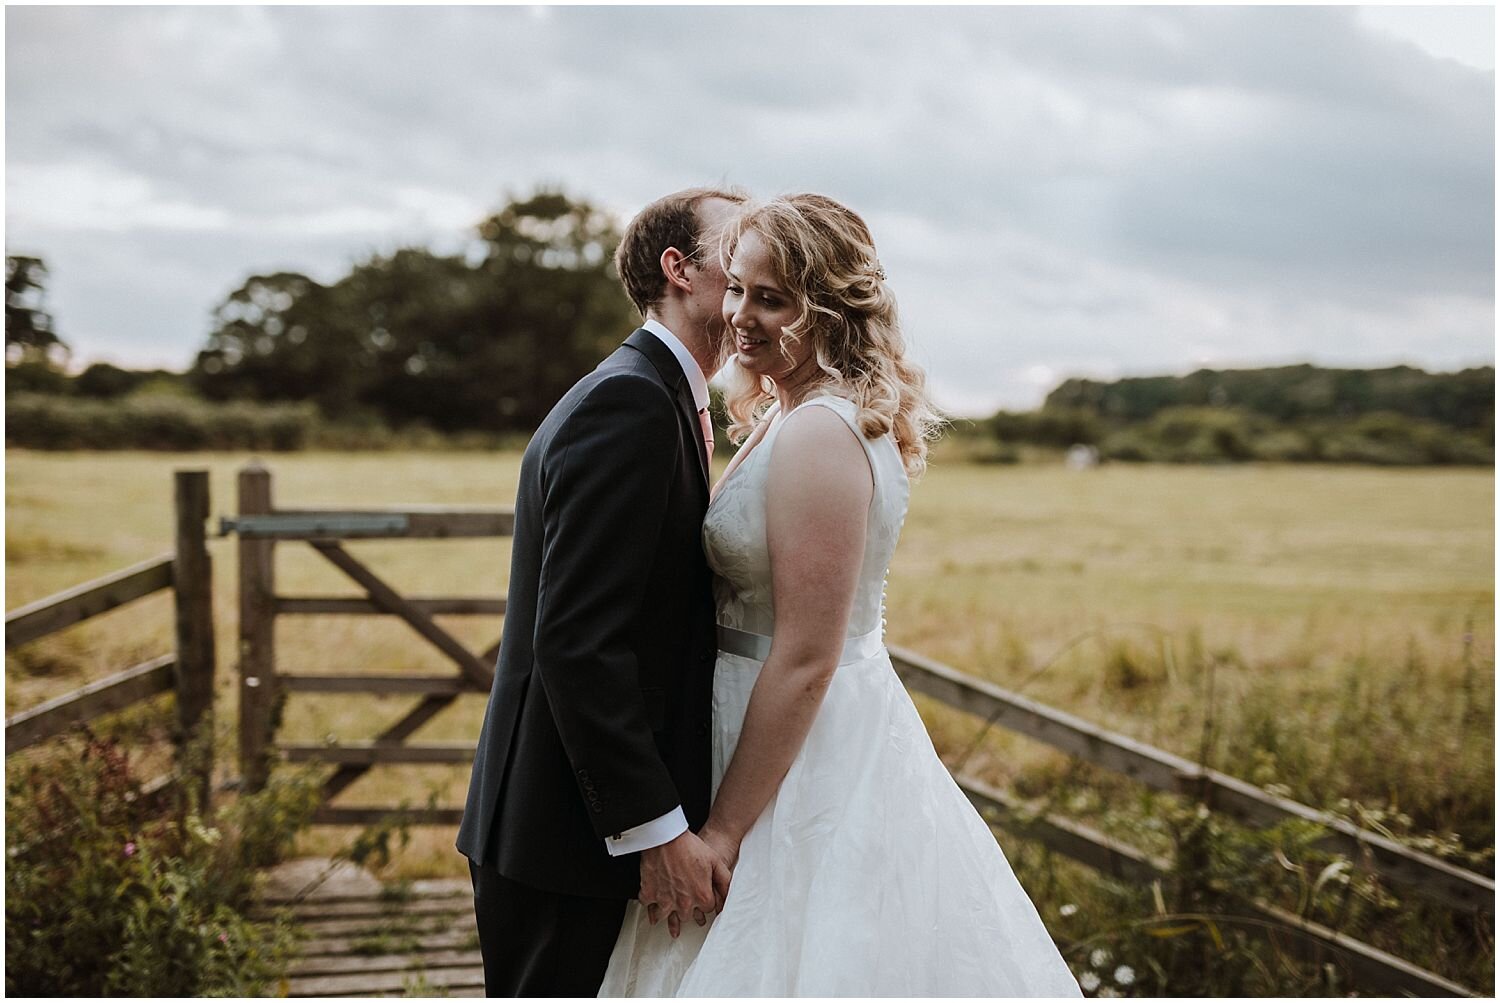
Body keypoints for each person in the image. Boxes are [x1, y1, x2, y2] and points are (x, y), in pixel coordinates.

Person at [598, 194, 1082, 996]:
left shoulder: (823, 431)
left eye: (773, 298)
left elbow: (809, 652)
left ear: (829, 307)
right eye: (739, 288)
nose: (741, 316)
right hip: (752, 716)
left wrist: (723, 831)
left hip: (800, 744)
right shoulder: (788, 414)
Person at [456, 186, 746, 996]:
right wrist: (655, 829)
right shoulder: (629, 402)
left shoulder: (661, 394)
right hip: (563, 837)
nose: (760, 257)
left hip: (577, 832)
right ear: (678, 268)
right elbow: (578, 641)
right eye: (739, 242)